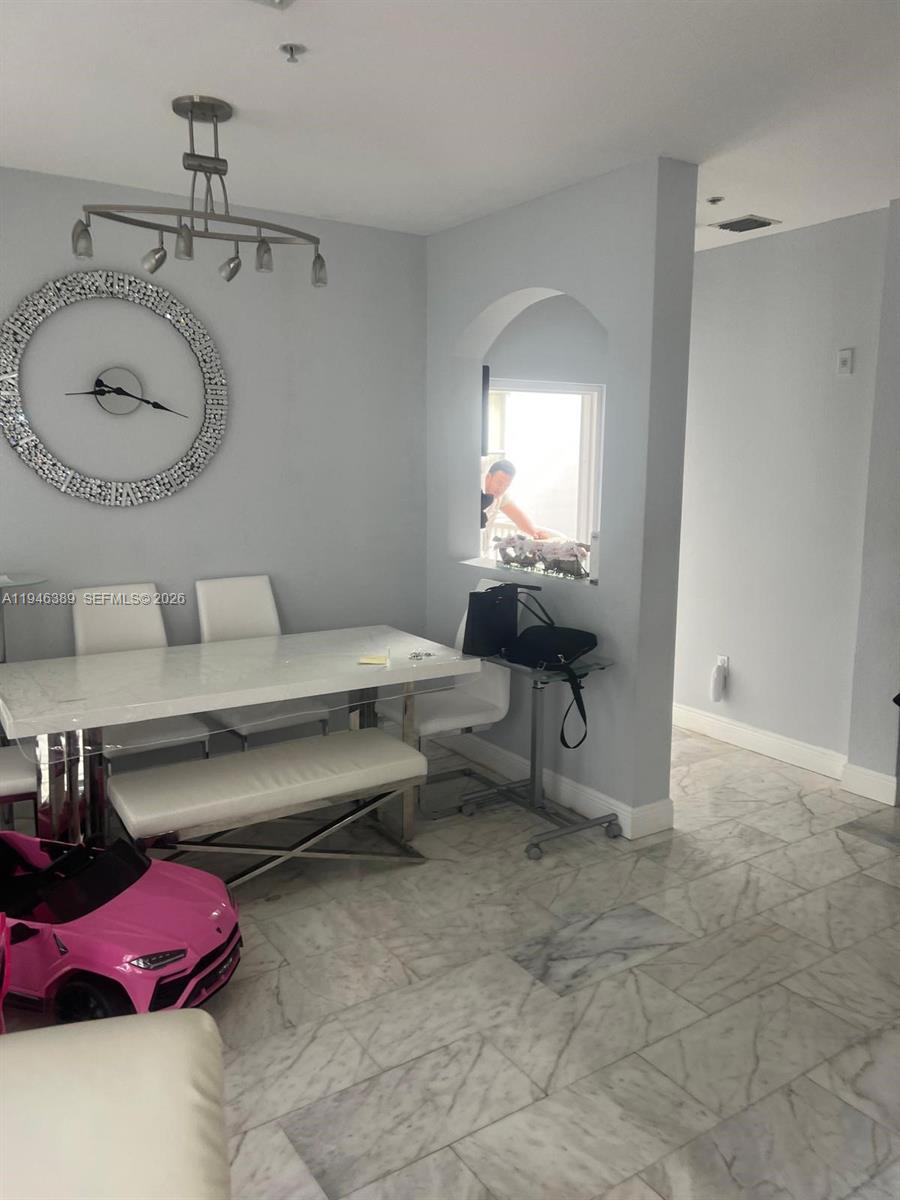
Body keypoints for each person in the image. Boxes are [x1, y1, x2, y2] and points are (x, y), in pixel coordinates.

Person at [481, 459, 553, 540]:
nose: (501, 489)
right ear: (488, 477)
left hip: (482, 544)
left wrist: (535, 533)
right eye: (499, 483)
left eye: (506, 485)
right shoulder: (475, 493)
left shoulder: (500, 496)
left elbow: (518, 517)